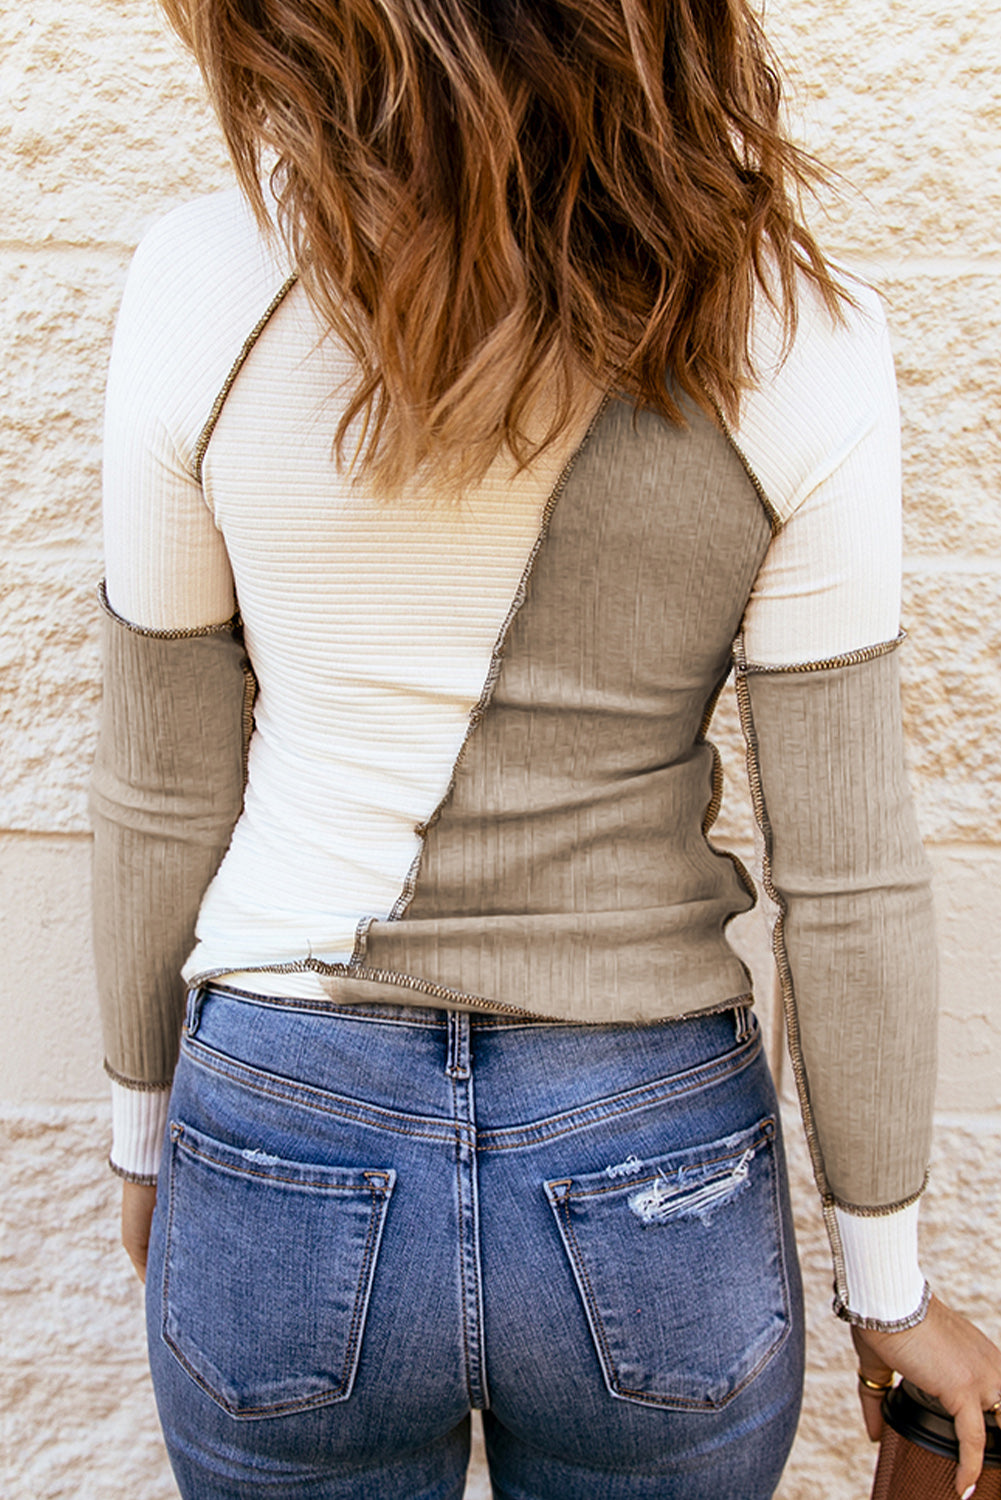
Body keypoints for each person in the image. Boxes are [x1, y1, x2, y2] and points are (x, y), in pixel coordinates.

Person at [90, 0, 1001, 1495]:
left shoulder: (203, 277)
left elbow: (159, 781)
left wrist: (144, 1140)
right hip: (644, 1149)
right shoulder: (801, 333)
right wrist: (883, 1285)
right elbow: (846, 871)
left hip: (283, 1120)